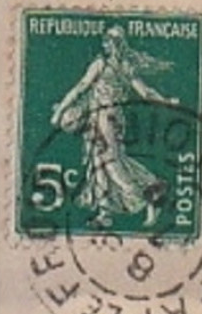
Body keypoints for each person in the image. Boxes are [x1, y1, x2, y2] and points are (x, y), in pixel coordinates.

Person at [50, 27, 177, 229]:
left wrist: (60, 112)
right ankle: (105, 212)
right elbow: (144, 92)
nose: (105, 45)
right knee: (100, 162)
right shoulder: (123, 66)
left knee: (110, 163)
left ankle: (149, 196)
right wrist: (166, 101)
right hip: (106, 118)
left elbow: (81, 87)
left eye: (109, 42)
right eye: (105, 42)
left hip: (105, 119)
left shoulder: (104, 64)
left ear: (116, 44)